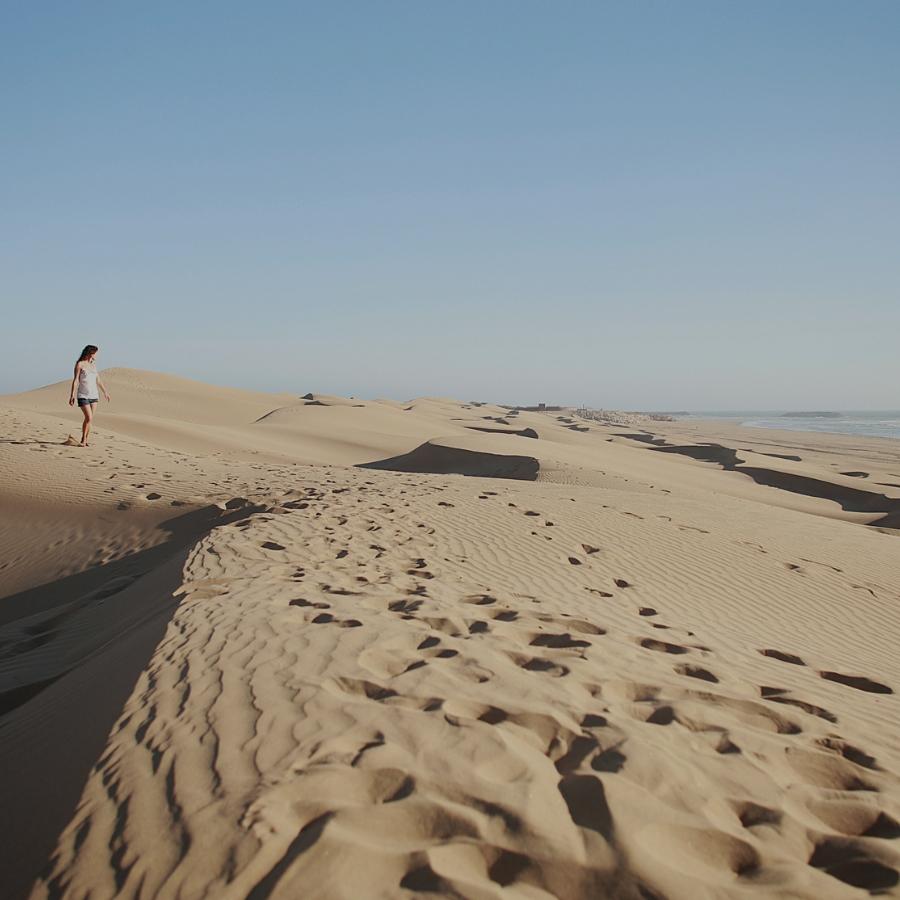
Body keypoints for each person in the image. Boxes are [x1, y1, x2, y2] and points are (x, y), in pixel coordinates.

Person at [68, 344, 111, 446]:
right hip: (83, 395)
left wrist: (105, 392)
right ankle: (83, 440)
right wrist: (72, 395)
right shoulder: (80, 364)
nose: (97, 355)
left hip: (94, 395)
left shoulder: (93, 365)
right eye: (95, 353)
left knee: (89, 420)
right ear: (90, 353)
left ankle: (85, 439)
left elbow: (98, 380)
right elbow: (75, 380)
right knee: (89, 418)